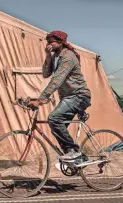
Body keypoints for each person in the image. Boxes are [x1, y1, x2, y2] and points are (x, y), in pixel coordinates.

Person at [28, 30, 91, 161]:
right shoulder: (56, 56)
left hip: (78, 96)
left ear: (60, 42)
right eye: (47, 42)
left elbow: (56, 80)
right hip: (68, 98)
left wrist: (40, 100)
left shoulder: (68, 57)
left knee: (54, 119)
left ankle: (74, 152)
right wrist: (47, 55)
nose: (48, 45)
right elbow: (46, 74)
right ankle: (75, 159)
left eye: (51, 42)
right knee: (57, 127)